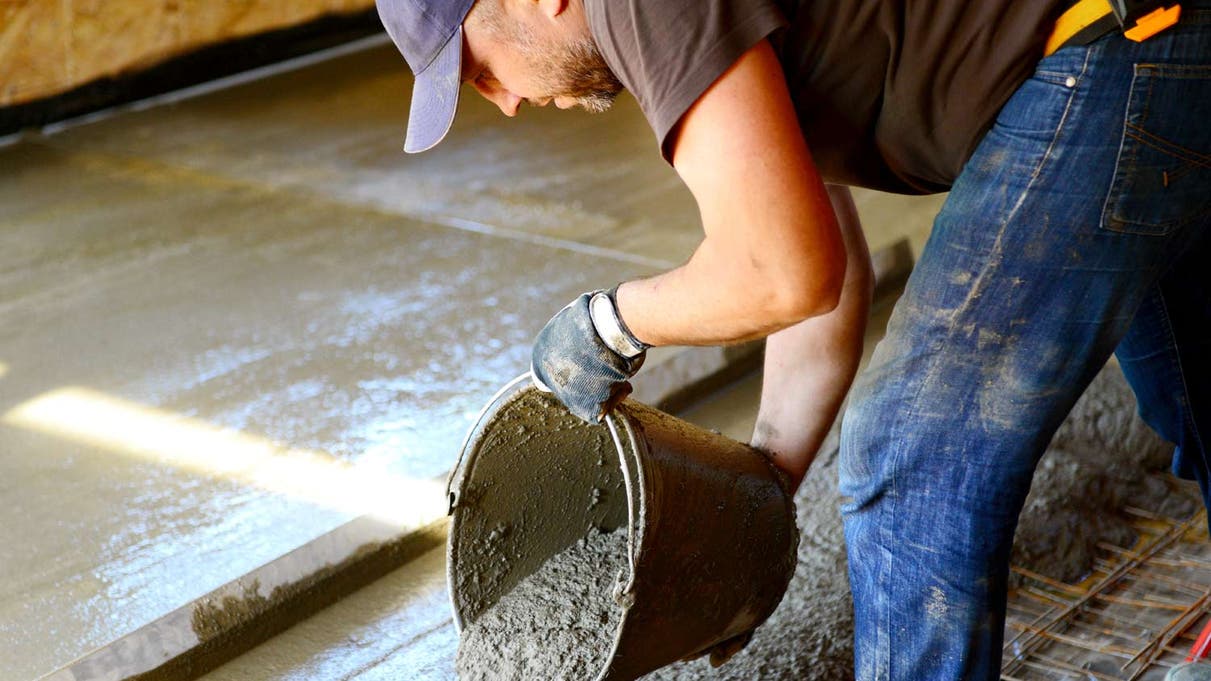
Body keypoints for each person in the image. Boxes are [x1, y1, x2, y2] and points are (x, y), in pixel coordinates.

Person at [375, 0, 1211, 677]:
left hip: (1112, 46)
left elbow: (779, 272)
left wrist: (606, 326)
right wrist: (760, 490)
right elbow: (822, 276)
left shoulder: (640, 8)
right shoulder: (673, 36)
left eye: (478, 67)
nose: (503, 101)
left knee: (909, 453)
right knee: (1185, 379)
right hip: (1158, 43)